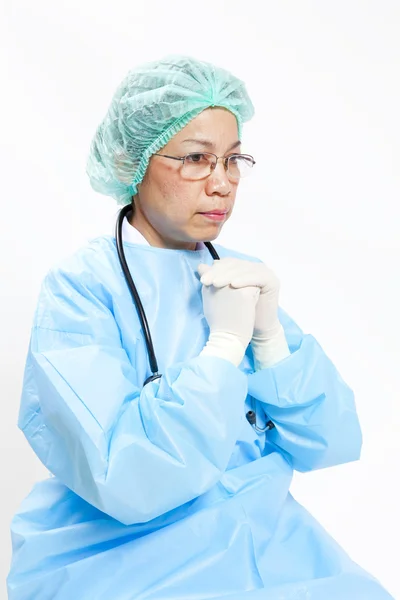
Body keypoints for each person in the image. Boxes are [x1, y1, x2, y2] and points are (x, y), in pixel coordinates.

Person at [7, 55, 393, 600]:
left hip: (267, 539)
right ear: (130, 161)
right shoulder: (82, 288)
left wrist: (270, 341)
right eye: (196, 159)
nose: (223, 184)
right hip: (123, 556)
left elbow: (331, 442)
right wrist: (223, 350)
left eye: (234, 160)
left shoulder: (235, 277)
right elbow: (123, 476)